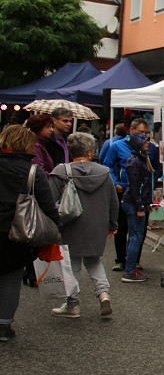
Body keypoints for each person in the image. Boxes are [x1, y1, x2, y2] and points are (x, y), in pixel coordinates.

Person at [48, 132, 119, 319]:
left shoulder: (60, 172)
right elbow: (113, 201)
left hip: (70, 225)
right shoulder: (104, 173)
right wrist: (112, 224)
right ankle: (104, 295)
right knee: (94, 261)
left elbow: (48, 202)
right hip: (97, 225)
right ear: (89, 151)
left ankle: (73, 305)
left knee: (72, 265)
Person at [0, 125, 60, 342]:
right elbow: (48, 205)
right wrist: (56, 228)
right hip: (18, 232)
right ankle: (4, 326)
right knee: (10, 279)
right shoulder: (32, 172)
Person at [102, 118, 159, 272]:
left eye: (147, 133)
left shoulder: (151, 148)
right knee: (122, 226)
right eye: (141, 132)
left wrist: (150, 187)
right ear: (131, 131)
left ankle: (134, 261)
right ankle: (121, 259)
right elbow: (106, 165)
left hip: (142, 194)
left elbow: (156, 168)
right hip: (124, 192)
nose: (145, 136)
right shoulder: (117, 146)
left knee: (139, 231)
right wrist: (115, 183)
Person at [120, 130, 154, 282]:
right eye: (145, 140)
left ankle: (130, 268)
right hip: (133, 204)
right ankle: (129, 271)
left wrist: (146, 204)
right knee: (135, 237)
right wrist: (140, 207)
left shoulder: (140, 159)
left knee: (135, 237)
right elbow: (134, 187)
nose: (148, 142)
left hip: (136, 203)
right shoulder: (134, 161)